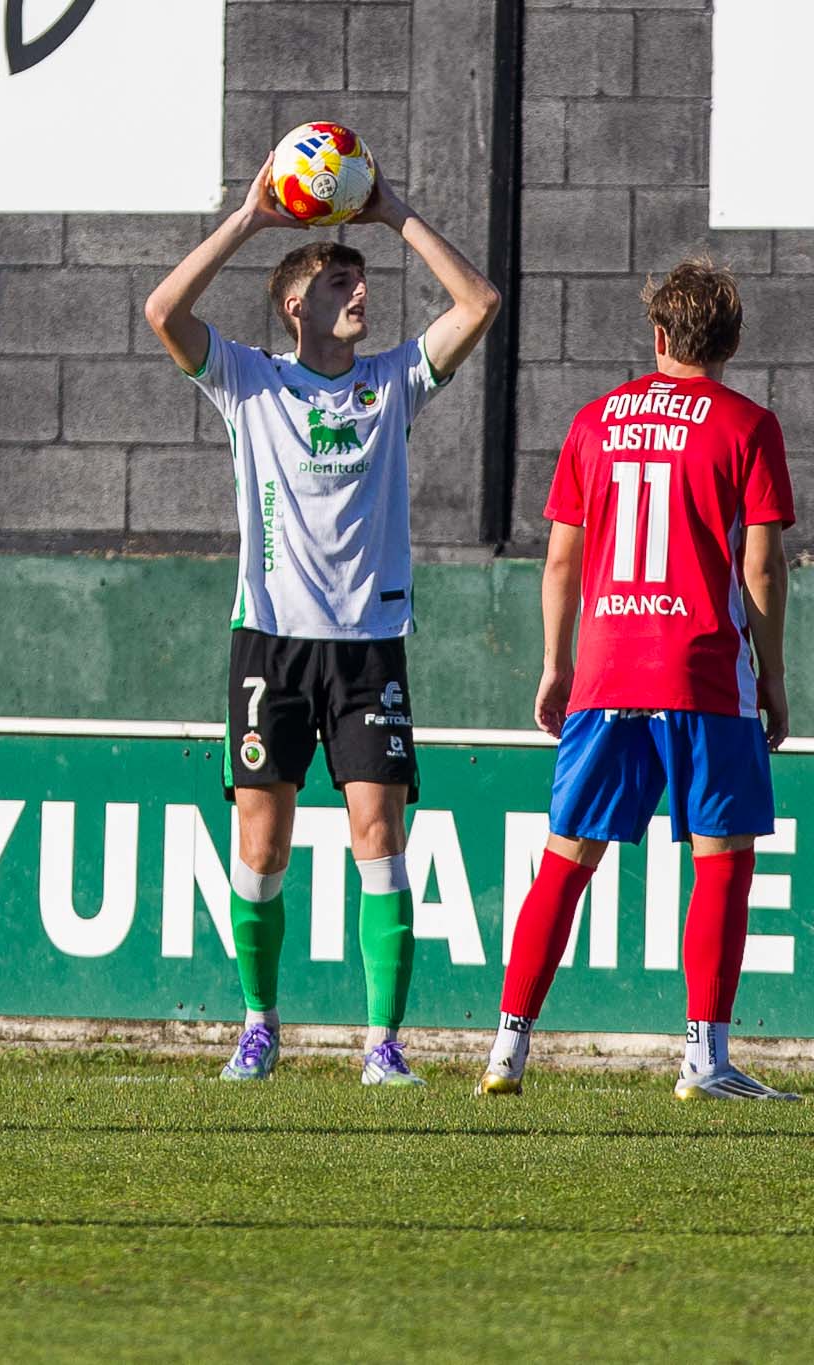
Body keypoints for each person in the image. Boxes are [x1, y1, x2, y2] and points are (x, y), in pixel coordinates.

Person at [143, 152, 501, 1084]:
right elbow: (163, 311)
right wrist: (251, 219)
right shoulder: (248, 380)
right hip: (270, 644)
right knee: (262, 845)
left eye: (362, 280)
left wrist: (393, 213)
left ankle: (382, 1043)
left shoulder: (393, 380)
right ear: (296, 305)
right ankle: (259, 1025)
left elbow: (479, 303)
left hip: (368, 648)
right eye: (341, 282)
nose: (361, 294)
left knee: (380, 836)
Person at [482, 260, 796, 1101]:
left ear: (658, 336)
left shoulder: (594, 421)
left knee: (565, 859)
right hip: (702, 670)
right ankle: (704, 1058)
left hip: (608, 667)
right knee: (721, 858)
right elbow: (762, 567)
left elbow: (560, 559)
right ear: (731, 341)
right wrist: (772, 675)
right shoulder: (749, 424)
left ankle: (506, 1050)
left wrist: (557, 663)